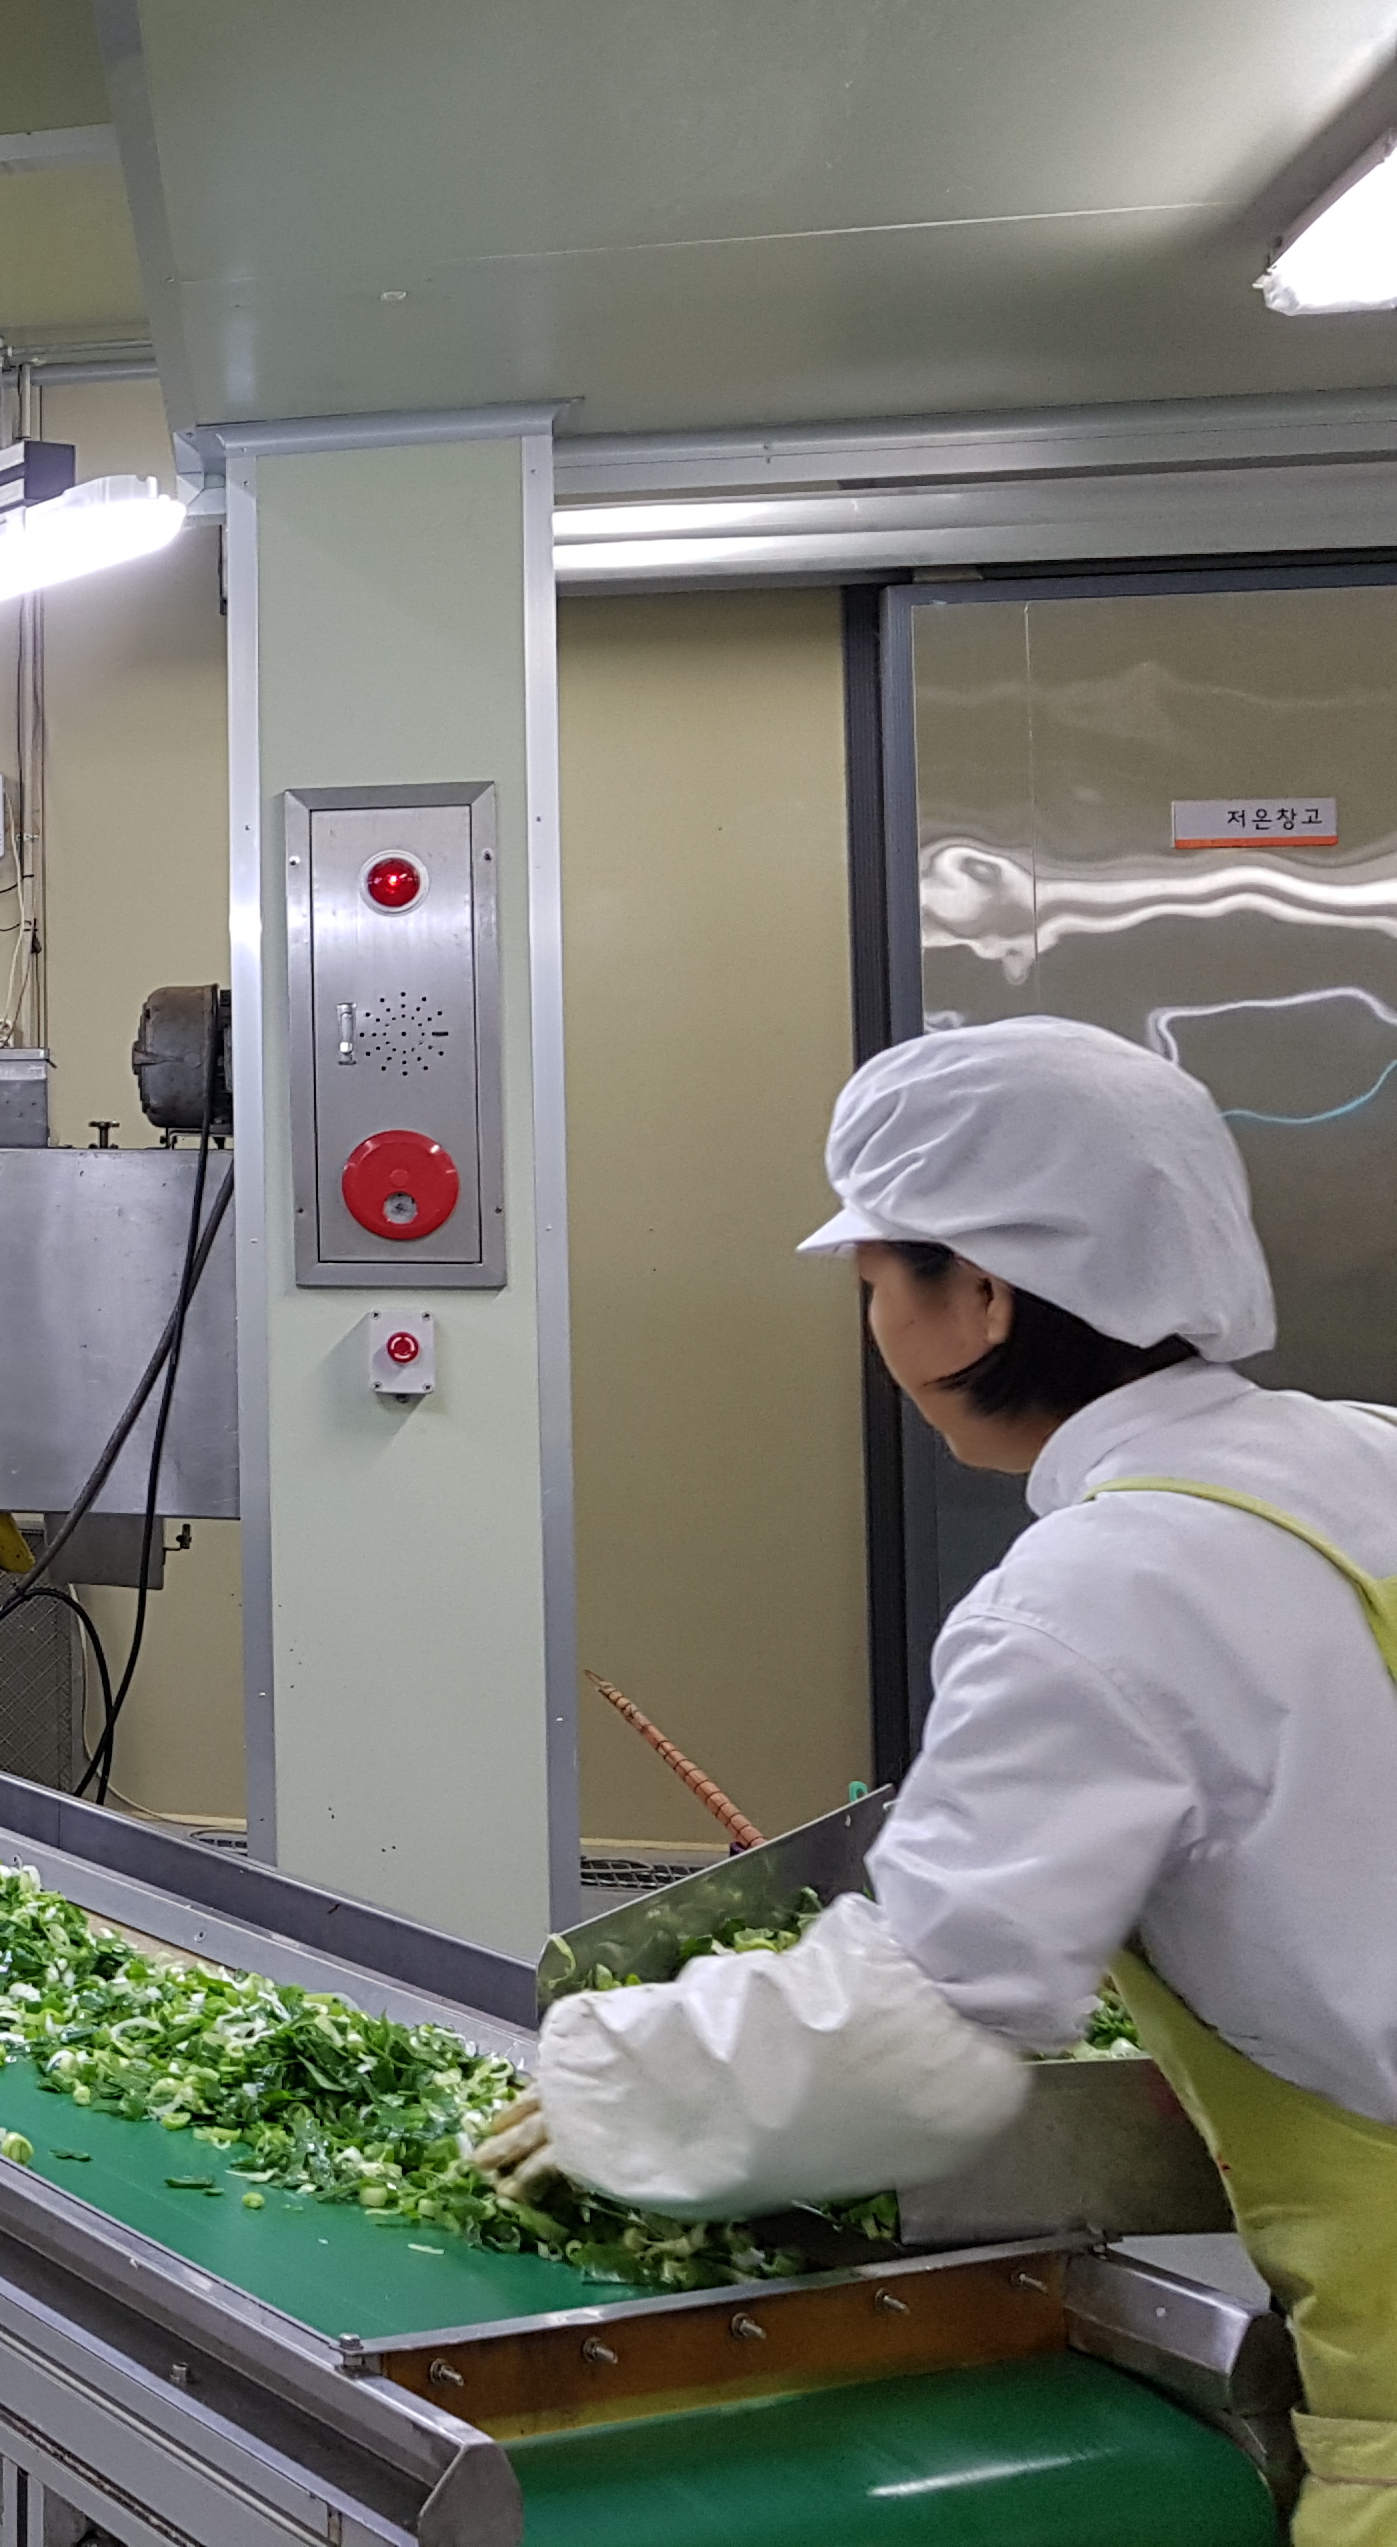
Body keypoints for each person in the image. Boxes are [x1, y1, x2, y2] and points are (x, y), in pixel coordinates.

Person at [468, 1017, 1395, 2541]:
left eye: (874, 1282)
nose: (875, 1327)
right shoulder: (1365, 1456)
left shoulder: (1096, 1590)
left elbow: (923, 2034)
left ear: (980, 1294)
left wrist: (615, 2081)